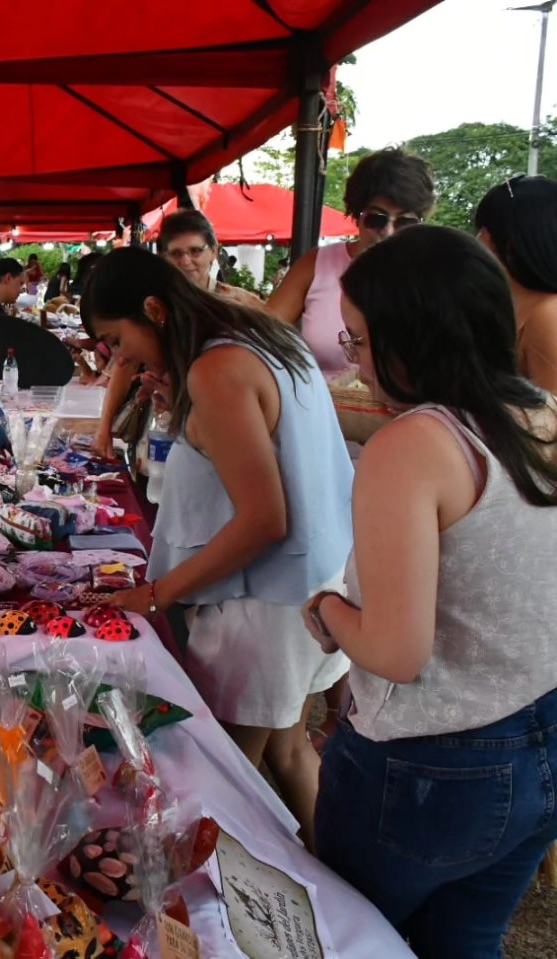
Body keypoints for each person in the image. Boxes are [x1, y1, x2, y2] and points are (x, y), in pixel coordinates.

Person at [307, 226, 557, 957]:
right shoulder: (540, 411)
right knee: (467, 941)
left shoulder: (414, 445)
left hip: (429, 766)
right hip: (541, 733)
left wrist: (325, 608)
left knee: (354, 940)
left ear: (409, 337)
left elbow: (393, 649)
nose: (352, 363)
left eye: (355, 341)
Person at [85, 247, 352, 844]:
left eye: (116, 339)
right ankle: (345, 899)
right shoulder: (260, 338)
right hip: (315, 588)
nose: (118, 358)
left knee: (228, 789)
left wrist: (158, 594)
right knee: (287, 754)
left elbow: (264, 520)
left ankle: (248, 920)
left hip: (263, 606)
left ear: (154, 309)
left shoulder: (217, 367)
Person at [92, 214, 262, 460]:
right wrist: (104, 428)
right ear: (164, 258)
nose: (186, 261)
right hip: (162, 425)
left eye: (195, 251)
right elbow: (125, 362)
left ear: (214, 252)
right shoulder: (155, 305)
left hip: (221, 425)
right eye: (176, 253)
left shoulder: (240, 305)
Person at [267, 147, 435, 380]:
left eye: (405, 222)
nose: (387, 233)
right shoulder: (317, 264)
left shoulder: (433, 276)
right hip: (323, 407)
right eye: (377, 218)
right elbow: (263, 335)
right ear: (357, 215)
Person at [473, 174, 557, 393]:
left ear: (508, 245)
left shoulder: (549, 314)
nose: (475, 243)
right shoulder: (501, 308)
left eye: (481, 232)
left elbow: (549, 422)